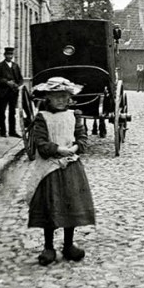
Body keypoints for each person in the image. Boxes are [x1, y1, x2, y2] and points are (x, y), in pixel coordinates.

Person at [22, 77, 96, 266]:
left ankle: (69, 244)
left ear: (70, 98)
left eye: (64, 96)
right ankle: (48, 247)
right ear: (48, 97)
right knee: (51, 205)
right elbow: (40, 143)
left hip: (71, 166)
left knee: (71, 203)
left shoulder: (74, 115)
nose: (61, 100)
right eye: (56, 97)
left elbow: (82, 137)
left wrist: (76, 148)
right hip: (50, 169)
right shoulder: (42, 118)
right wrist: (57, 149)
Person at [0, 47, 23, 138]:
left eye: (11, 54)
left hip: (13, 93)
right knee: (2, 113)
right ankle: (3, 131)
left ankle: (12, 131)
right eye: (8, 54)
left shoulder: (16, 66)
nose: (10, 56)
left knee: (12, 113)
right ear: (4, 55)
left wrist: (17, 85)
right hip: (3, 93)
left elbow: (20, 79)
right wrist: (6, 82)